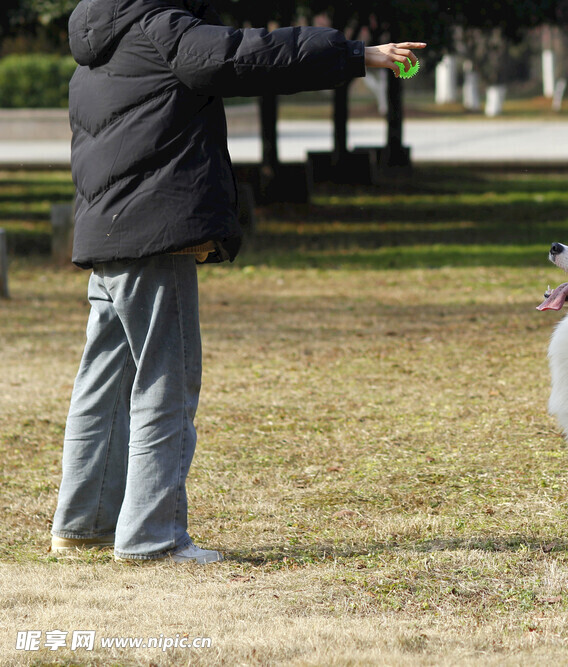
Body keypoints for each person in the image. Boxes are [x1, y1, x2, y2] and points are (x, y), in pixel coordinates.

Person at [50, 0, 424, 564]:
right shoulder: (162, 28)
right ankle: (153, 538)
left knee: (102, 382)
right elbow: (252, 55)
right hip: (155, 234)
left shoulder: (97, 43)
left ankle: (85, 523)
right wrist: (355, 54)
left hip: (108, 236)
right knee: (166, 382)